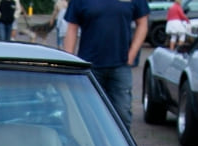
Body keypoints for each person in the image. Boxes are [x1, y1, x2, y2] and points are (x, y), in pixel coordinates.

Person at [63, 0, 151, 128]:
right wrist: (69, 61)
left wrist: (132, 53)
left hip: (120, 65)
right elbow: (72, 28)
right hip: (89, 67)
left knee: (122, 115)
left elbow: (143, 23)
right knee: (87, 115)